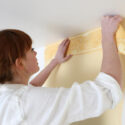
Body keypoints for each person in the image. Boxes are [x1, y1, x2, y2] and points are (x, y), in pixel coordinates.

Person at [0, 15, 123, 125]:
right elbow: (107, 92)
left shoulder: (7, 97)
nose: (35, 52)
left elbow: (30, 88)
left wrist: (55, 61)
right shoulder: (23, 104)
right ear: (20, 63)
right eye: (31, 50)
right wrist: (107, 37)